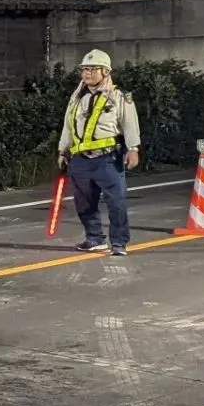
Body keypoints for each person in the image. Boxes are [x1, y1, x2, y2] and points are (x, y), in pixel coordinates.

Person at [58, 49, 142, 257]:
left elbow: (130, 124)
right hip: (80, 160)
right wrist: (63, 150)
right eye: (84, 70)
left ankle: (119, 242)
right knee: (84, 203)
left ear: (105, 72)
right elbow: (68, 126)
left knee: (116, 202)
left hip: (108, 158)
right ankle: (94, 238)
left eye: (91, 69)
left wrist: (133, 149)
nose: (86, 73)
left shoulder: (118, 97)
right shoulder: (77, 97)